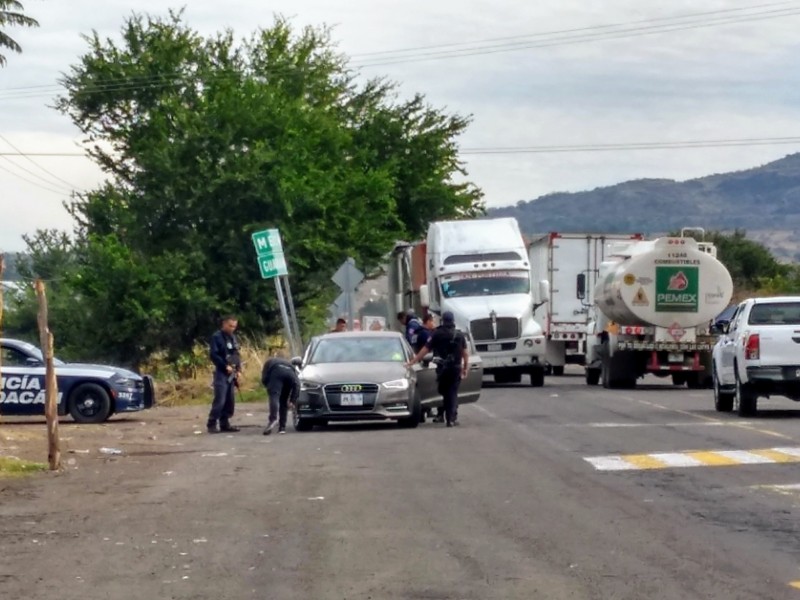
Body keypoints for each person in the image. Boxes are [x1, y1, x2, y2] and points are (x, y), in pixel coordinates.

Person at [406, 311, 468, 427]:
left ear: (443, 320)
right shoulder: (459, 335)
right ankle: (451, 418)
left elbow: (425, 349)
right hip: (455, 368)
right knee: (452, 392)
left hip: (442, 368)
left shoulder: (437, 334)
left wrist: (413, 361)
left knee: (445, 391)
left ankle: (449, 417)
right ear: (453, 321)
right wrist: (465, 368)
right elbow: (465, 353)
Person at [207, 315, 242, 434]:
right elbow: (213, 355)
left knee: (229, 400)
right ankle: (212, 423)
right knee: (220, 399)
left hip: (232, 372)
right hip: (222, 372)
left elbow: (236, 354)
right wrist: (224, 365)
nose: (232, 328)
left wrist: (238, 369)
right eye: (230, 326)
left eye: (234, 326)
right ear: (224, 324)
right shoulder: (217, 337)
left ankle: (225, 423)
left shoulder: (233, 337)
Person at [261, 356, 301, 435]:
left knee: (274, 396)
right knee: (284, 401)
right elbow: (297, 385)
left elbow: (264, 378)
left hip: (276, 372)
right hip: (289, 374)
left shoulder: (268, 362)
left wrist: (269, 387)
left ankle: (273, 419)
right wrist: (292, 400)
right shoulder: (290, 365)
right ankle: (282, 427)